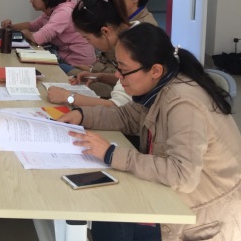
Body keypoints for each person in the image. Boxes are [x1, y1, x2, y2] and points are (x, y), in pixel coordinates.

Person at [60, 23, 241, 240]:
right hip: (178, 199)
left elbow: (183, 175)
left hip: (204, 217)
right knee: (108, 204)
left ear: (155, 70)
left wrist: (111, 153)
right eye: (117, 66)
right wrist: (82, 115)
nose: (117, 75)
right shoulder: (157, 87)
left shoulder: (183, 103)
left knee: (111, 211)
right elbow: (126, 117)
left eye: (124, 70)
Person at [47, 0, 133, 107]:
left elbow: (118, 107)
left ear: (105, 32)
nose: (88, 43)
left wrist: (69, 97)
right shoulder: (130, 36)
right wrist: (100, 77)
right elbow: (128, 78)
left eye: (87, 38)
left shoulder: (133, 49)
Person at [1, 0, 95, 73]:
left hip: (77, 65)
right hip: (64, 57)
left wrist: (25, 33)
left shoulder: (63, 13)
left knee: (39, 67)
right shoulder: (51, 11)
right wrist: (11, 27)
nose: (31, 1)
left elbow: (37, 39)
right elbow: (32, 25)